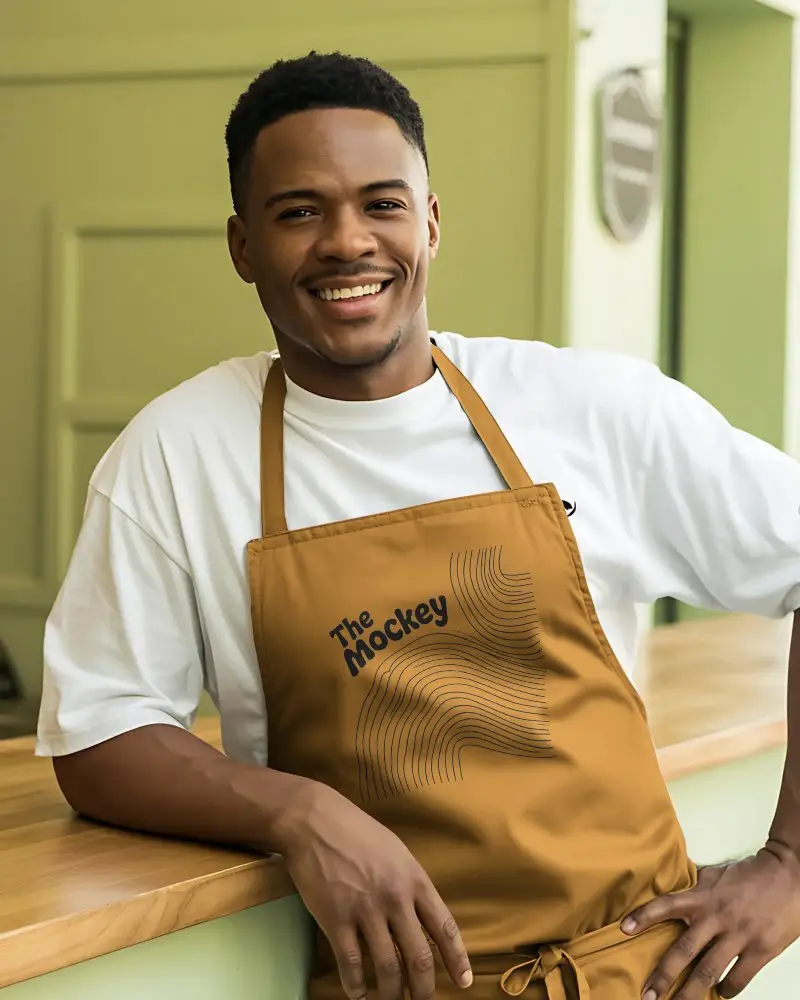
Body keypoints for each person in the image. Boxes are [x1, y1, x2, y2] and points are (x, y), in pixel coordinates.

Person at [36, 51, 800, 1000]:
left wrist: (792, 864)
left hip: (638, 975)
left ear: (431, 223)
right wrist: (299, 813)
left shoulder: (591, 406)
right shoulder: (179, 453)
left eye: (382, 204)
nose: (347, 241)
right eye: (299, 211)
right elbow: (97, 731)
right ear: (242, 246)